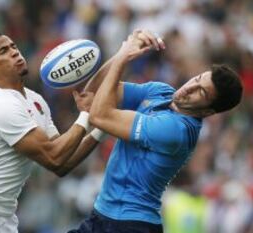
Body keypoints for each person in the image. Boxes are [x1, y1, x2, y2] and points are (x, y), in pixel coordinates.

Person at [69, 29, 243, 233]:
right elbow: (91, 96)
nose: (189, 88)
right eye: (197, 79)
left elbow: (99, 115)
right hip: (101, 216)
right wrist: (123, 52)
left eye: (201, 92)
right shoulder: (160, 92)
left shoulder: (177, 131)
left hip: (130, 225)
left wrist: (124, 58)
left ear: (208, 111)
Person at [0, 31, 103, 233]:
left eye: (13, 47)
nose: (14, 53)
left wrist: (100, 129)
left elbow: (63, 163)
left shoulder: (34, 100)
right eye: (3, 51)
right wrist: (87, 115)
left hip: (5, 220)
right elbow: (54, 157)